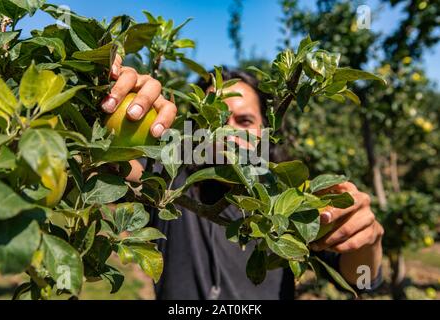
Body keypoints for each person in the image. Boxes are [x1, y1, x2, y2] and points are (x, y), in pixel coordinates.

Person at [101, 57, 385, 299]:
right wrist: (113, 98)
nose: (229, 132)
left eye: (244, 121)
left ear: (266, 132)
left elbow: (361, 281)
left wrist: (366, 239)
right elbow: (111, 161)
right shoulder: (167, 180)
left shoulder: (290, 200)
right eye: (216, 120)